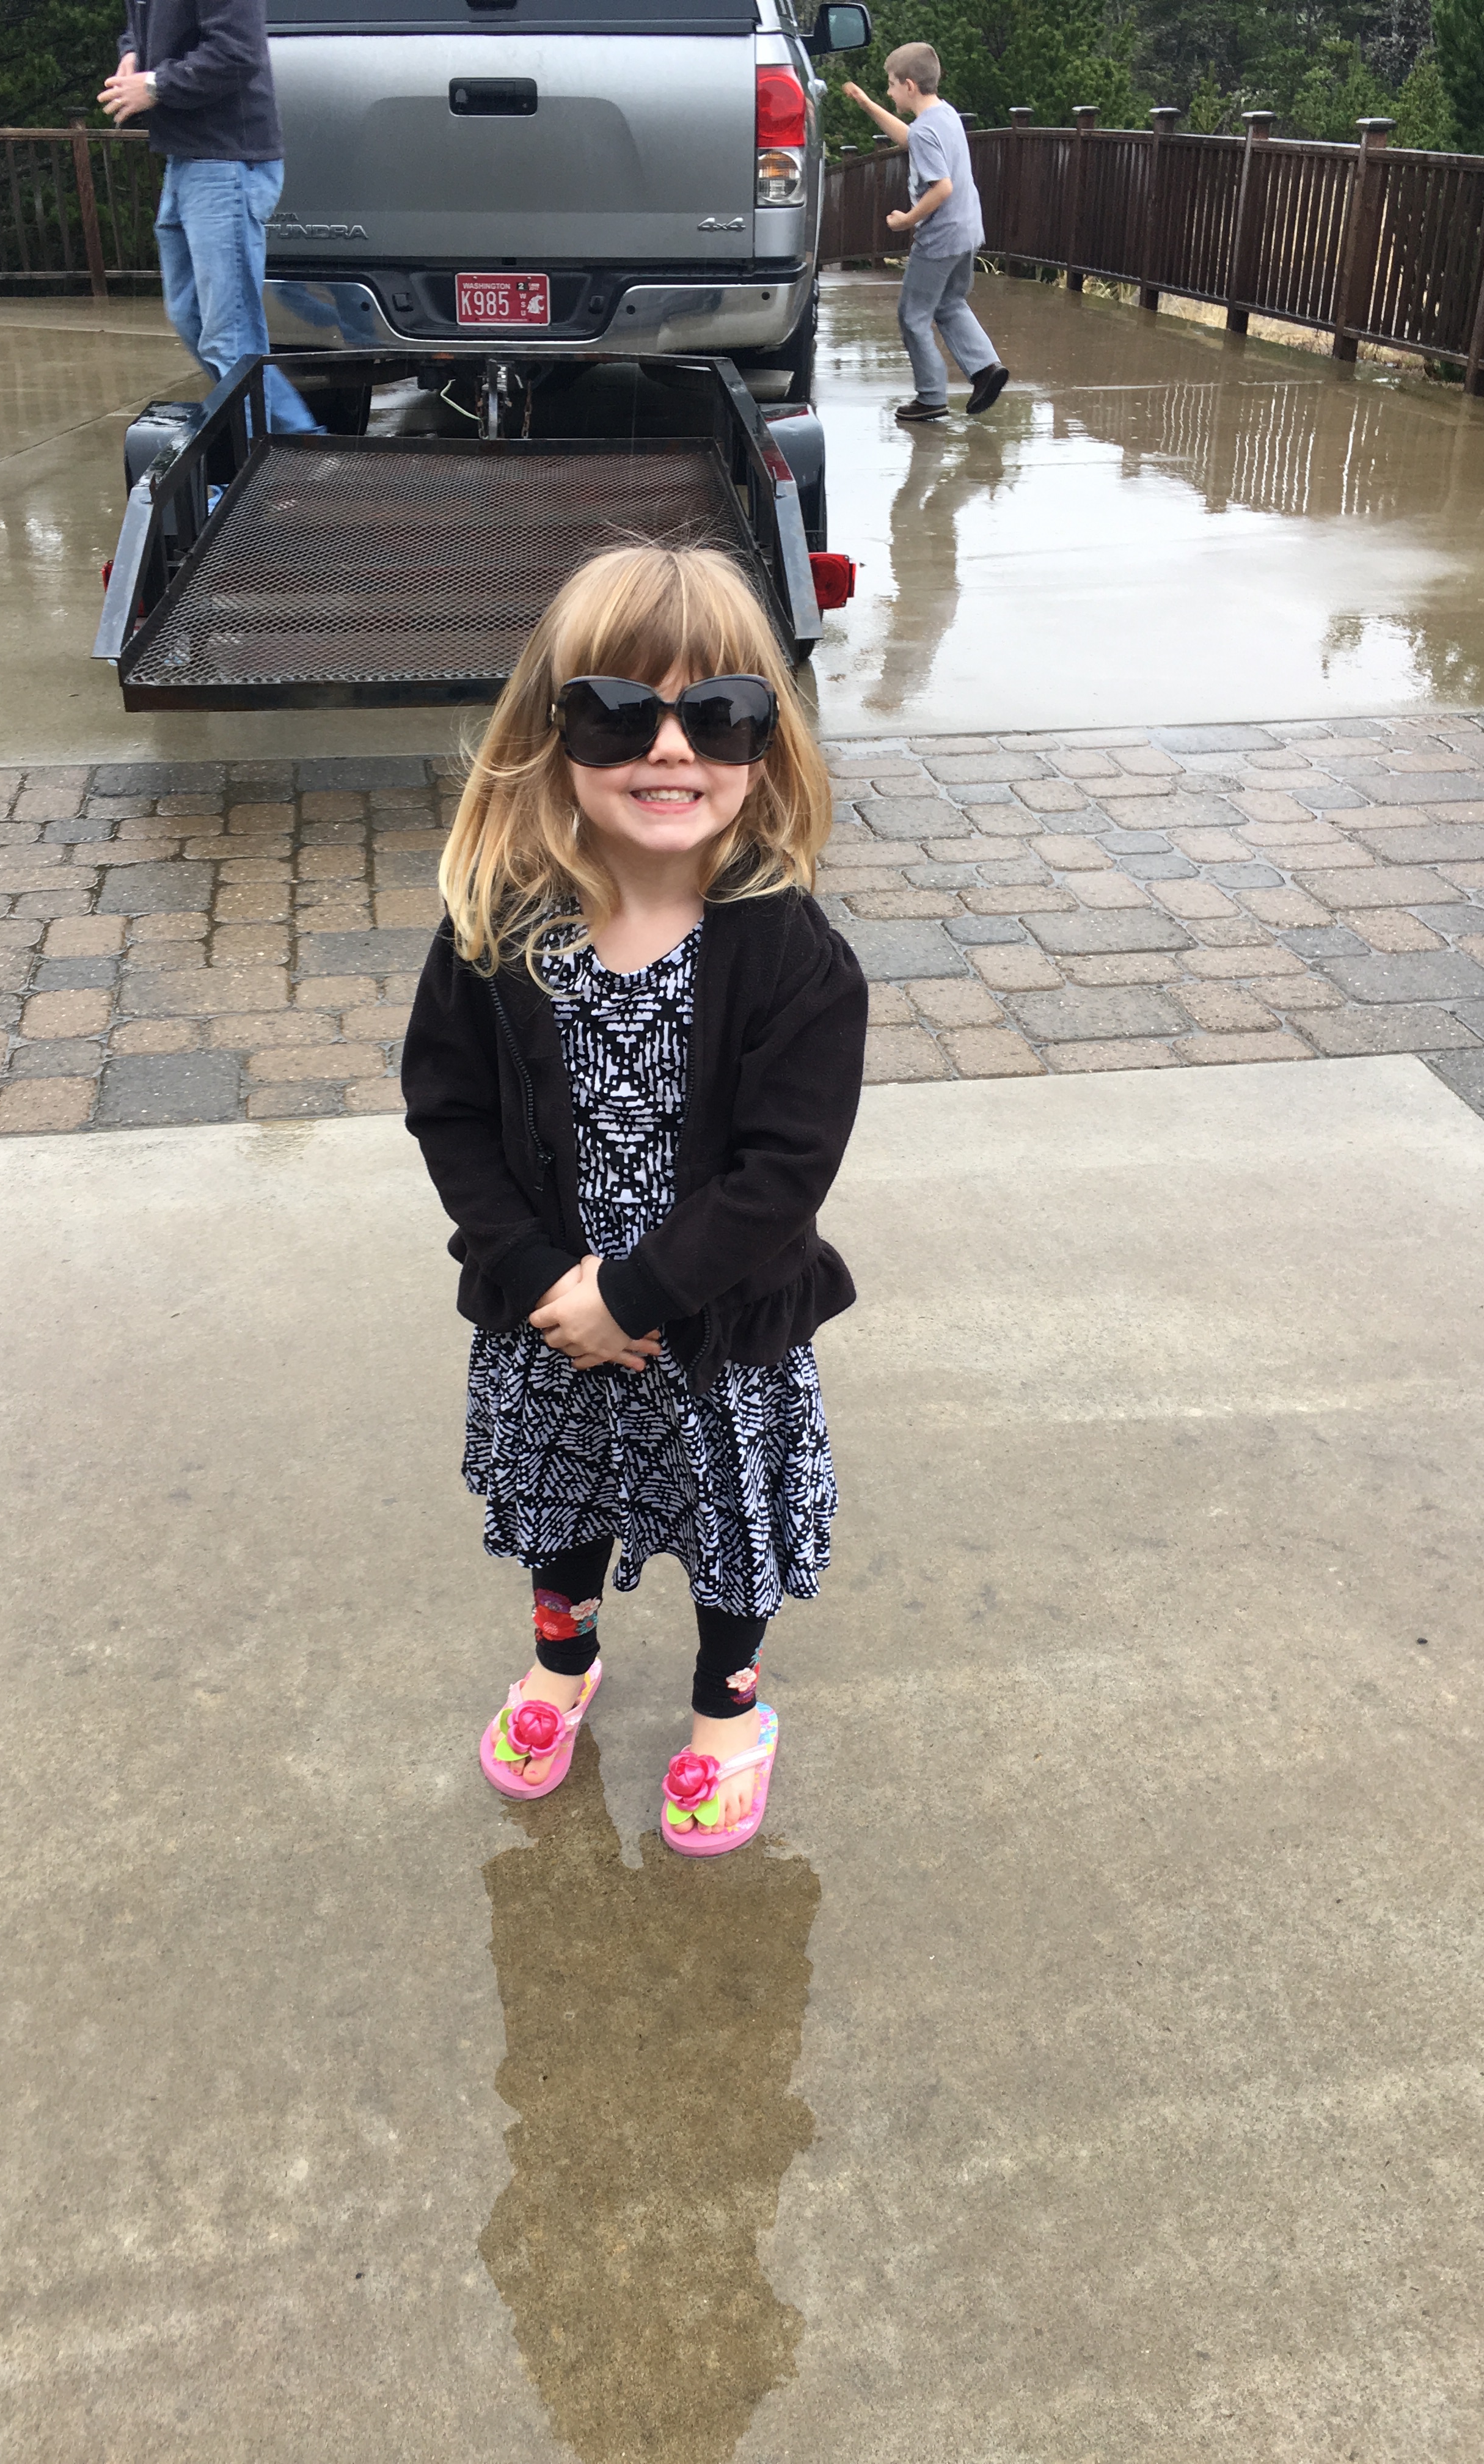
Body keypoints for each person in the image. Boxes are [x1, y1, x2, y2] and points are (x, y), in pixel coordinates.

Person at [402, 544, 868, 1857]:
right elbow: (449, 1111)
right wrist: (550, 1277)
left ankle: (730, 1709)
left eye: (717, 713)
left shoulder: (792, 955)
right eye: (620, 713)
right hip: (548, 1308)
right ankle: (562, 1662)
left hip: (716, 1320)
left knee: (730, 1517)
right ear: (552, 735)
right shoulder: (500, 926)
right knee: (562, 1501)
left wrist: (641, 1295)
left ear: (766, 746)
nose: (672, 751)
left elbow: (785, 1170)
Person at [99, 0, 318, 435]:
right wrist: (132, 55)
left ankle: (257, 473)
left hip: (227, 162)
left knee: (230, 337)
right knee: (191, 317)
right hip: (187, 158)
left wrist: (158, 85)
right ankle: (298, 444)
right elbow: (139, 27)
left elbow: (238, 52)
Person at [844, 45, 1009, 425]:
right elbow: (909, 137)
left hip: (940, 236)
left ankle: (931, 396)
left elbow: (942, 188)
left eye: (890, 86)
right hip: (968, 229)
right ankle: (986, 369)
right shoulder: (944, 115)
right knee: (950, 304)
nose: (889, 93)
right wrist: (868, 104)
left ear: (909, 85)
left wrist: (907, 221)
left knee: (912, 316)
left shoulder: (925, 130)